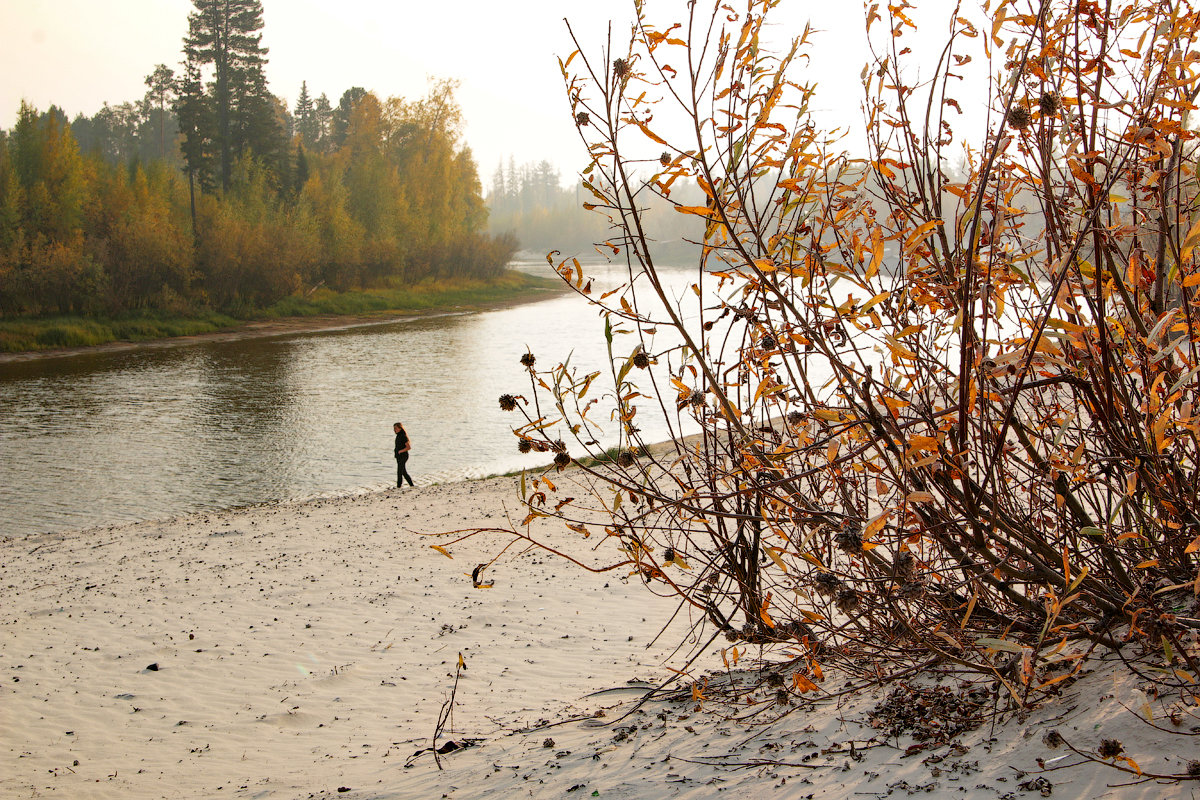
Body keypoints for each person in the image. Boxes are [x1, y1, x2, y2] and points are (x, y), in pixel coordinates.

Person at [393, 422, 414, 487]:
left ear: (400, 428)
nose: (394, 430)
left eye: (396, 428)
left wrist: (400, 451)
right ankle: (411, 485)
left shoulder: (403, 436)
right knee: (403, 472)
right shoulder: (398, 435)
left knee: (399, 472)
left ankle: (398, 486)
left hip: (403, 456)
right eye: (394, 428)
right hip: (399, 456)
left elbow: (408, 447)